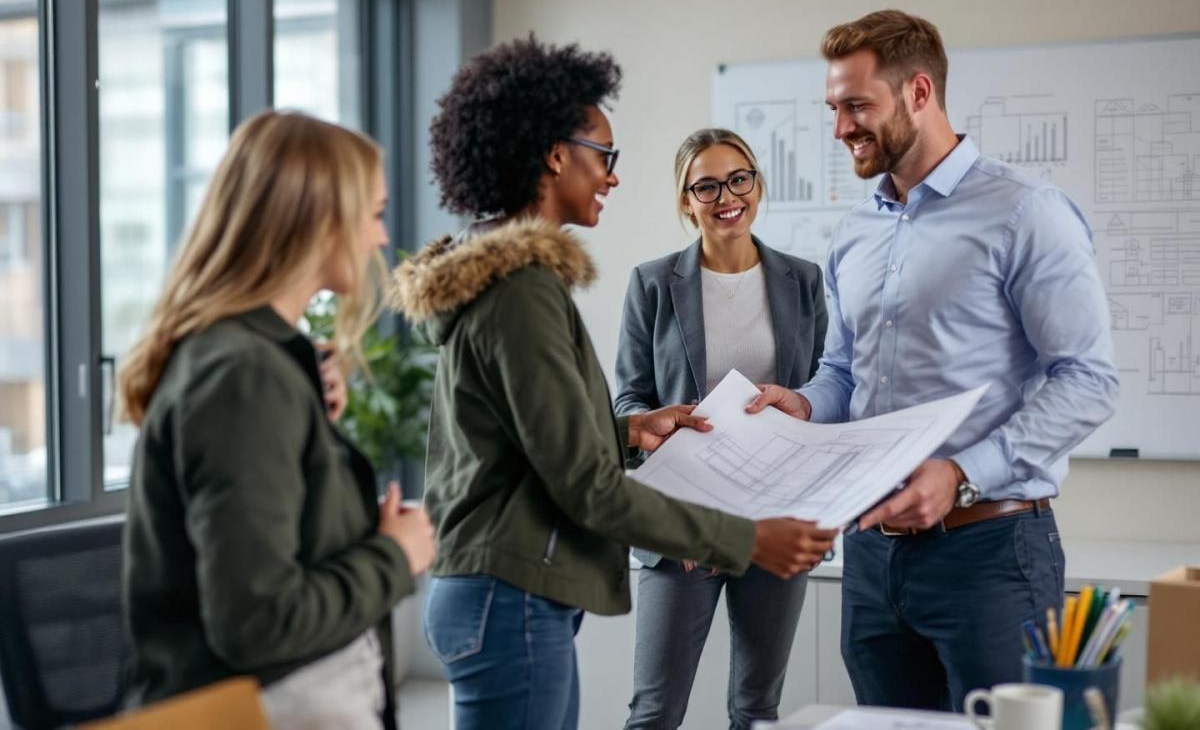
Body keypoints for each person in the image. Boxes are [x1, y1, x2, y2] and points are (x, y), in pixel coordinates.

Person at [389, 36, 837, 730]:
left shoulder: (507, 279)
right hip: (509, 593)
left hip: (504, 592)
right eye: (606, 156)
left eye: (741, 179)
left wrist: (629, 430)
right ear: (556, 154)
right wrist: (745, 540)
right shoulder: (521, 290)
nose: (613, 176)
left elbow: (537, 440)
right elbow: (586, 485)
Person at [746, 10, 1119, 712]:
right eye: (833, 108)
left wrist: (961, 476)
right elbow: (843, 375)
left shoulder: (1025, 213)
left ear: (920, 93)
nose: (840, 129)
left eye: (858, 106)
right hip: (871, 559)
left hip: (992, 552)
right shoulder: (854, 233)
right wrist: (799, 403)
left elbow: (1090, 381)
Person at [118, 110, 436, 730]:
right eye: (372, 213)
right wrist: (396, 555)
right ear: (318, 222)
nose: (379, 238)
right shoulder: (244, 375)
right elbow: (258, 622)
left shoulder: (258, 360)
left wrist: (352, 535)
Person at [614, 128, 828, 730]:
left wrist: (802, 405)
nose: (726, 196)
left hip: (777, 513)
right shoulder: (653, 283)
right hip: (683, 521)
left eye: (739, 178)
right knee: (654, 711)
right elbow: (630, 396)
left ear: (757, 184)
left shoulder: (803, 280)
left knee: (756, 709)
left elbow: (824, 388)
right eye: (705, 185)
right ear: (686, 201)